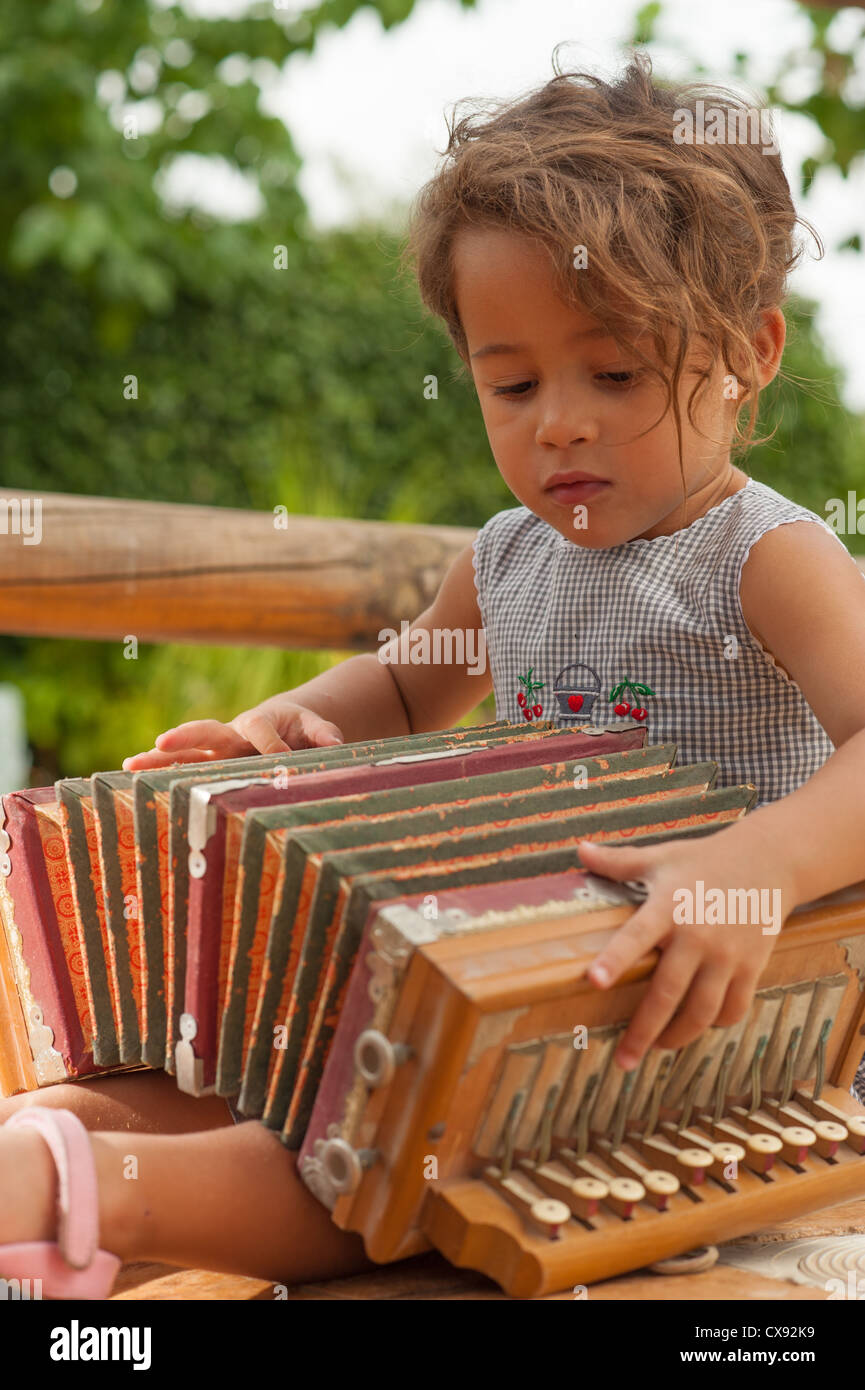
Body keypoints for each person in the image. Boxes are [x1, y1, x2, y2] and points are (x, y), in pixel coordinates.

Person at [3, 52, 864, 1297]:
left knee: (408, 1164)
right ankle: (67, 1153)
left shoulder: (763, 558)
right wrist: (273, 733)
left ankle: (68, 1195)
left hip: (707, 1028)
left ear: (749, 351)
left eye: (612, 373)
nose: (556, 420)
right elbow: (406, 691)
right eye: (509, 383)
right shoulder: (509, 558)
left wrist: (755, 869)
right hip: (515, 984)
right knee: (175, 1078)